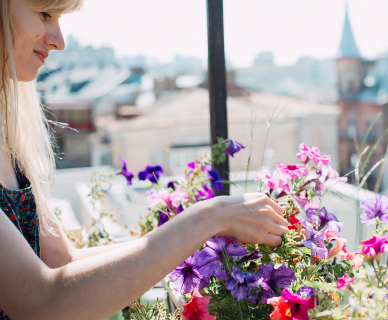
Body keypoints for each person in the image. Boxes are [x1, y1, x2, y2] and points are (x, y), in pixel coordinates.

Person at [0, 1, 289, 319]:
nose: (59, 40)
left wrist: (200, 242)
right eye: (44, 15)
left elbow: (65, 261)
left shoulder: (9, 141)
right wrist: (208, 217)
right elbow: (41, 303)